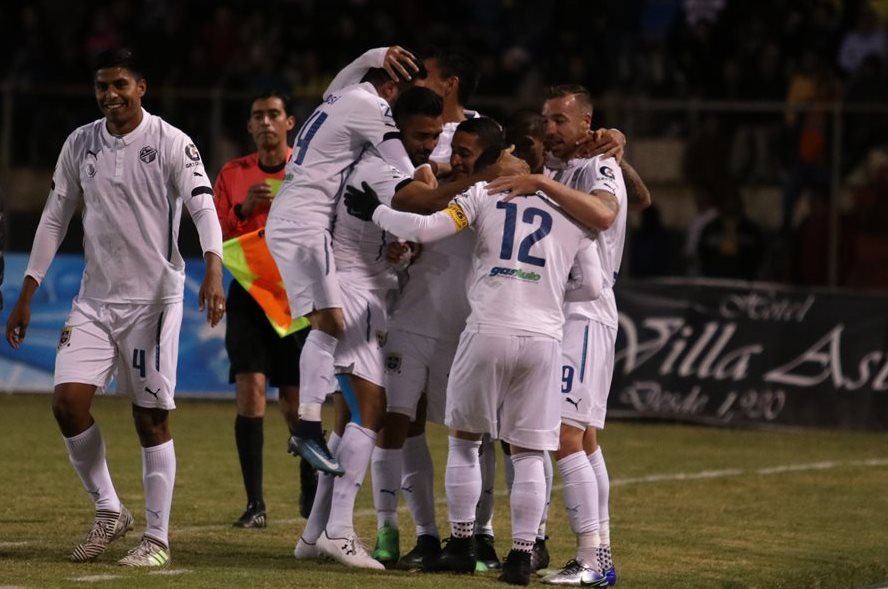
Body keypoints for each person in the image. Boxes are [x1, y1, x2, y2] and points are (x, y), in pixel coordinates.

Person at [342, 117, 603, 585]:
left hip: (486, 328)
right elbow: (591, 285)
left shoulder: (484, 196)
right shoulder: (570, 212)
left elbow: (425, 228)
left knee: (464, 440)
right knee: (527, 452)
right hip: (543, 337)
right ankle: (522, 555)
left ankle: (461, 544)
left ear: (506, 163)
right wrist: (543, 288)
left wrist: (377, 212)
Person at [5, 48, 225, 567]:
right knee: (67, 403)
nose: (110, 95)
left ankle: (156, 539)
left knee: (150, 419)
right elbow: (55, 218)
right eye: (102, 86)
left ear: (141, 87)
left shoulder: (172, 142)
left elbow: (202, 205)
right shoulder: (80, 143)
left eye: (120, 85)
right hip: (94, 301)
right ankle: (109, 510)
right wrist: (28, 292)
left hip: (153, 303)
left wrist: (213, 268)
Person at [488, 84, 650, 587]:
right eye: (546, 119)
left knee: (563, 435)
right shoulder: (562, 167)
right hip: (562, 314)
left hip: (584, 312)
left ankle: (594, 559)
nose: (551, 129)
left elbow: (606, 212)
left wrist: (545, 180)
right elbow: (640, 196)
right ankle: (596, 554)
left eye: (560, 120)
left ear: (587, 122)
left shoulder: (597, 166)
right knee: (585, 439)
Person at [264, 46, 422, 476]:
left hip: (300, 218)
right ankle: (308, 427)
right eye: (397, 95)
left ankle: (310, 426)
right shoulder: (372, 106)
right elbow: (401, 166)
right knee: (330, 323)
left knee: (330, 324)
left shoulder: (339, 95)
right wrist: (431, 176)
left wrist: (378, 52)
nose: (396, 106)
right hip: (304, 223)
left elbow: (351, 68)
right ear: (389, 86)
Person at [212, 90, 317, 529]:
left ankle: (310, 489)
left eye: (274, 114)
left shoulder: (308, 172)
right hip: (250, 297)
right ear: (250, 127)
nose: (267, 122)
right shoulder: (233, 174)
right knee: (250, 391)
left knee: (296, 406)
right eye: (258, 116)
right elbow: (213, 231)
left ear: (290, 122)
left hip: (296, 299)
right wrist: (245, 207)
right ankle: (255, 504)